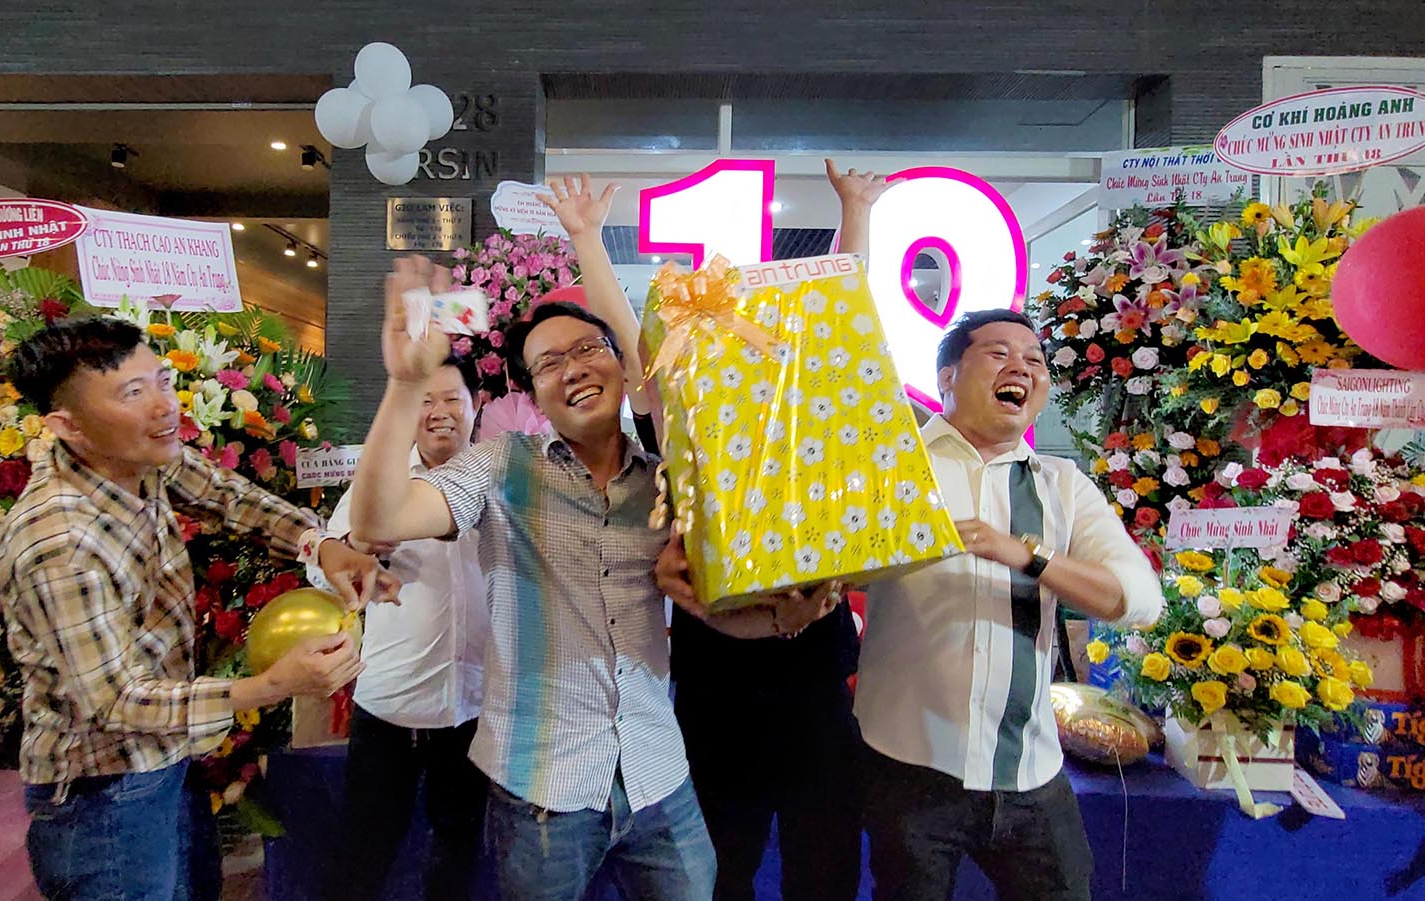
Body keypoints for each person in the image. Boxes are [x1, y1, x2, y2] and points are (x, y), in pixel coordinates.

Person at [346, 246, 837, 900]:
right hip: (542, 789)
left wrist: (782, 618)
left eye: (587, 349)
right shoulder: (500, 467)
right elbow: (380, 518)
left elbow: (710, 606)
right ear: (532, 394)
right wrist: (406, 383)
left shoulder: (669, 482)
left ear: (623, 366)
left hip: (658, 775)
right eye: (548, 363)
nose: (573, 368)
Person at [0, 316, 395, 901]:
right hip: (102, 791)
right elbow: (117, 701)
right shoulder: (59, 543)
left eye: (162, 380)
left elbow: (226, 496)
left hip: (167, 757)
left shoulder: (140, 458)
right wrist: (271, 686)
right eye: (133, 393)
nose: (165, 406)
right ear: (67, 426)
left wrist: (321, 545)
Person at [542, 166, 863, 901]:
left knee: (826, 871)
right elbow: (629, 341)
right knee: (722, 869)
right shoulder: (682, 412)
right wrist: (587, 238)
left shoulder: (811, 413)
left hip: (815, 680)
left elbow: (841, 314)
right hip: (716, 684)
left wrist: (856, 212)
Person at [849, 305, 1165, 900]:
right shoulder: (892, 466)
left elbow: (1141, 601)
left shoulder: (1062, 485)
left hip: (1032, 773)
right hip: (909, 768)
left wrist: (1026, 554)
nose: (1020, 367)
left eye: (1034, 360)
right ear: (946, 376)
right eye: (998, 354)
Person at [309, 354, 490, 901]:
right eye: (424, 401)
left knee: (458, 851)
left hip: (475, 706)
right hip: (392, 704)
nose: (439, 412)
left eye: (452, 399)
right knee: (364, 849)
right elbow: (321, 567)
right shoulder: (378, 487)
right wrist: (355, 546)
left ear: (477, 405)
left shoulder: (498, 481)